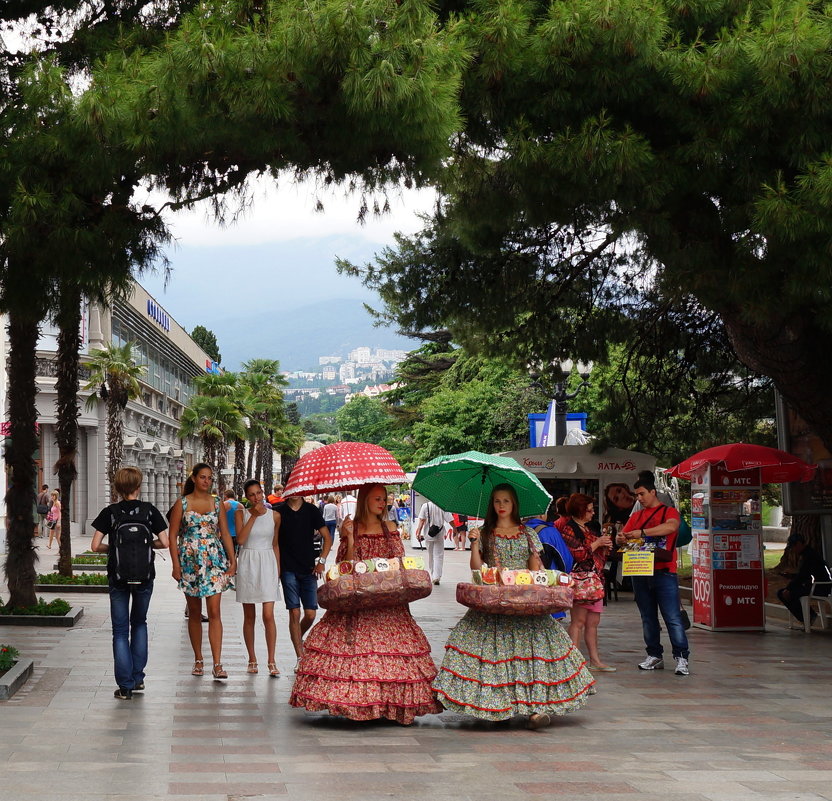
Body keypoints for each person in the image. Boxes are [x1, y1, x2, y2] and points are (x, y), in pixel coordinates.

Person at [432, 483, 595, 728]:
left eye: (506, 501)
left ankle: (535, 710)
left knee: (532, 657)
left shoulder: (528, 533)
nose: (501, 506)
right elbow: (476, 568)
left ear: (514, 504)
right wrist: (474, 543)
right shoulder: (485, 532)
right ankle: (500, 707)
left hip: (525, 604)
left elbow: (535, 568)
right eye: (497, 501)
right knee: (496, 658)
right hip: (494, 605)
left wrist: (537, 575)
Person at [289, 483, 441, 723]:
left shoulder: (390, 526)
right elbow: (344, 569)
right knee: (356, 654)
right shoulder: (353, 528)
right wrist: (349, 539)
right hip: (358, 601)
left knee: (391, 654)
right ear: (365, 501)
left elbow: (398, 561)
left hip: (388, 601)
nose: (382, 503)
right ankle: (361, 705)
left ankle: (390, 705)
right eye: (377, 499)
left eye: (384, 499)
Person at [90, 467, 169, 700]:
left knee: (120, 631)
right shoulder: (149, 511)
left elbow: (95, 546)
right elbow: (164, 542)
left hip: (118, 577)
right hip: (145, 576)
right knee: (140, 624)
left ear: (118, 488)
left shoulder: (110, 512)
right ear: (138, 486)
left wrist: (114, 549)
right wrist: (146, 546)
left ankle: (124, 687)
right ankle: (138, 679)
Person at [168, 463, 237, 680]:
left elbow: (225, 533)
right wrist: (176, 565)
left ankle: (217, 663)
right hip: (190, 561)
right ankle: (198, 659)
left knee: (215, 611)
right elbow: (172, 536)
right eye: (203, 477)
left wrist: (232, 560)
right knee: (195, 612)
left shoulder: (217, 502)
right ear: (195, 478)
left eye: (209, 478)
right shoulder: (183, 502)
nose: (206, 481)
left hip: (214, 559)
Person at [617, 473, 689, 675]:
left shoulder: (669, 512)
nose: (638, 498)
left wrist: (643, 533)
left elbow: (671, 527)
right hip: (639, 571)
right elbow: (622, 535)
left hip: (664, 572)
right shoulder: (636, 516)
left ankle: (681, 657)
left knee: (672, 616)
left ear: (652, 492)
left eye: (641, 494)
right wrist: (621, 537)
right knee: (648, 617)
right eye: (636, 495)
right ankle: (654, 655)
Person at [276, 493, 333, 671]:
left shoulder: (311, 510)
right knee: (294, 611)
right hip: (287, 569)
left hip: (308, 568)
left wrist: (321, 562)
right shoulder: (279, 512)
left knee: (310, 614)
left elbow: (327, 537)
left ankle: (297, 636)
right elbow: (273, 542)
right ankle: (300, 656)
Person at [560, 493, 615, 672]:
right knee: (578, 621)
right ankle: (574, 661)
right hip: (580, 580)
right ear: (580, 510)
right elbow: (578, 553)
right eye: (589, 510)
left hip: (595, 580)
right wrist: (598, 543)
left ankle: (595, 660)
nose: (592, 514)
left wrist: (604, 547)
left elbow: (594, 552)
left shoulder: (589, 528)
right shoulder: (569, 529)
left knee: (593, 621)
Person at [235, 479, 281, 677]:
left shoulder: (275, 516)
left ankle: (272, 660)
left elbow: (275, 544)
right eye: (252, 494)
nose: (256, 498)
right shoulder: (241, 513)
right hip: (248, 561)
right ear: (247, 497)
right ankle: (252, 659)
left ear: (263, 493)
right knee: (249, 616)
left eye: (259, 493)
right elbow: (241, 540)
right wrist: (252, 517)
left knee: (268, 614)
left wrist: (277, 570)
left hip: (267, 562)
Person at [777, 532, 832, 625]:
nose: (793, 550)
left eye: (793, 547)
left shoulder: (809, 556)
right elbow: (805, 574)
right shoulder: (808, 554)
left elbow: (803, 576)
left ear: (798, 544)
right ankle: (808, 616)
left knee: (785, 594)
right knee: (788, 592)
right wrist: (791, 576)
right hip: (817, 585)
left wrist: (789, 588)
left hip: (820, 587)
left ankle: (808, 616)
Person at [414, 500, 452, 585]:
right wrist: (455, 528)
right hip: (439, 534)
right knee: (438, 556)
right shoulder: (443, 505)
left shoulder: (425, 506)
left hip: (428, 535)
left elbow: (422, 520)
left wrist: (419, 532)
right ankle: (436, 576)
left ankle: (433, 574)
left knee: (431, 555)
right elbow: (449, 519)